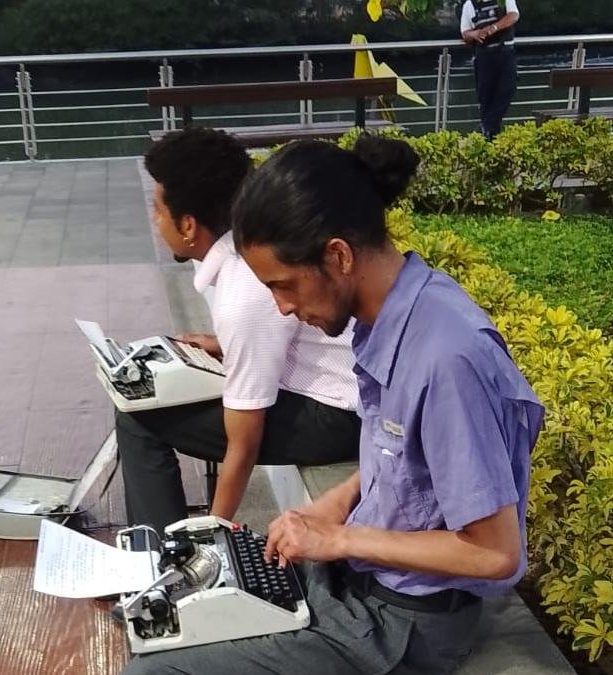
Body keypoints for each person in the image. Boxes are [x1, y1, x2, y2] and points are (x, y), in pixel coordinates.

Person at [123, 136, 544, 675]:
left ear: (338, 256)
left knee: (153, 671)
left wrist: (339, 537)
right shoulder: (391, 313)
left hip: (403, 625)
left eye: (285, 286)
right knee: (174, 618)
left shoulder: (446, 359)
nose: (282, 307)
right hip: (360, 580)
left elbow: (495, 552)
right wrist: (337, 502)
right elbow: (407, 459)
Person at [116, 127, 361, 534]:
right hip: (335, 395)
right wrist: (223, 345)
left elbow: (243, 443)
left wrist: (210, 534)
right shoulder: (250, 250)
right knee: (147, 403)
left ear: (189, 226)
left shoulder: (243, 291)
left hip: (340, 417)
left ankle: (162, 552)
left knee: (139, 417)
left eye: (157, 210)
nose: (155, 221)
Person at [461, 0, 521, 139]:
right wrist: (475, 34)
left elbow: (513, 15)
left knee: (507, 90)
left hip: (506, 51)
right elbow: (465, 33)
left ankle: (485, 128)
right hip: (484, 55)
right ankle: (489, 135)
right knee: (486, 97)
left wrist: (493, 28)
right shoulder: (469, 5)